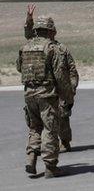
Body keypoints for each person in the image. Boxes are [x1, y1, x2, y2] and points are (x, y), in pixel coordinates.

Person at [17, 16, 72, 178]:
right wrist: (67, 97)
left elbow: (19, 67)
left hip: (29, 93)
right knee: (50, 128)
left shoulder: (25, 47)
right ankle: (50, 166)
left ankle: (31, 159)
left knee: (34, 127)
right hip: (47, 94)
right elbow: (60, 76)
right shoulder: (51, 48)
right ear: (49, 30)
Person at [24, 4, 78, 152]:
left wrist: (70, 90)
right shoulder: (38, 47)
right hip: (49, 90)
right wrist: (29, 19)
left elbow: (71, 70)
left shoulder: (61, 49)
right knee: (47, 122)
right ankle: (48, 151)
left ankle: (64, 142)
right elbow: (29, 36)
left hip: (60, 88)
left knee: (62, 116)